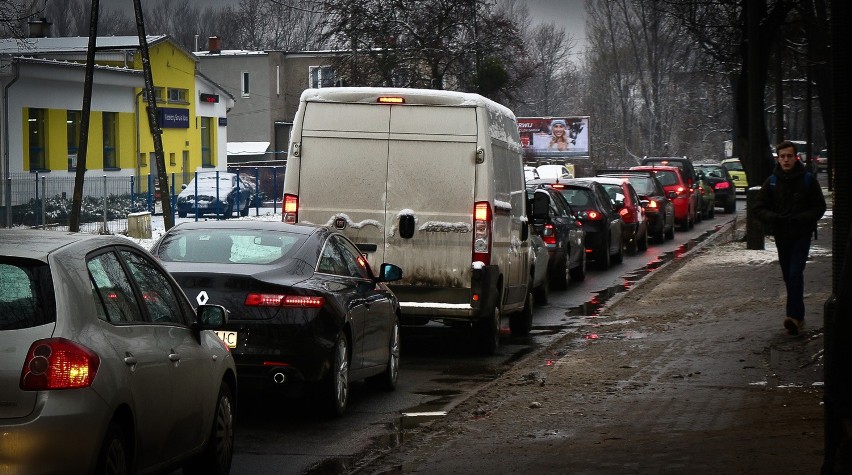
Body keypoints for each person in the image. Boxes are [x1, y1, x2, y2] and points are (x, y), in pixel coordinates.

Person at [753, 140, 826, 335]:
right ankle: (798, 318)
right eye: (782, 156)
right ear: (778, 158)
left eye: (789, 156)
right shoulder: (772, 182)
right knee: (789, 276)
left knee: (794, 273)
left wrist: (801, 219)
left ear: (796, 157)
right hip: (782, 235)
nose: (786, 160)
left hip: (801, 234)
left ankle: (793, 316)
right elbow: (758, 208)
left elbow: (819, 207)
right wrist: (775, 219)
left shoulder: (807, 180)